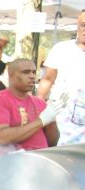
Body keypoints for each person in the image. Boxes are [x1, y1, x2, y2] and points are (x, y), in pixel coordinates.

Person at [0, 58, 65, 163]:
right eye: (26, 72)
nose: (32, 76)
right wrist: (41, 121)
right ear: (11, 76)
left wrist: (51, 119)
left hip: (40, 165)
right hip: (6, 166)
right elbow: (1, 138)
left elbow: (52, 143)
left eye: (34, 72)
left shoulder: (40, 103)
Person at [37, 9, 85, 146]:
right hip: (61, 118)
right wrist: (38, 104)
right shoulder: (62, 49)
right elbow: (47, 79)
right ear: (78, 25)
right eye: (83, 25)